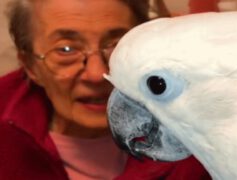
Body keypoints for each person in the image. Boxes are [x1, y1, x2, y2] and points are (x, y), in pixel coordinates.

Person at [0, 0, 211, 179]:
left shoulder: (199, 139)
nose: (96, 73)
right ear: (30, 66)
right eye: (66, 50)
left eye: (116, 44)